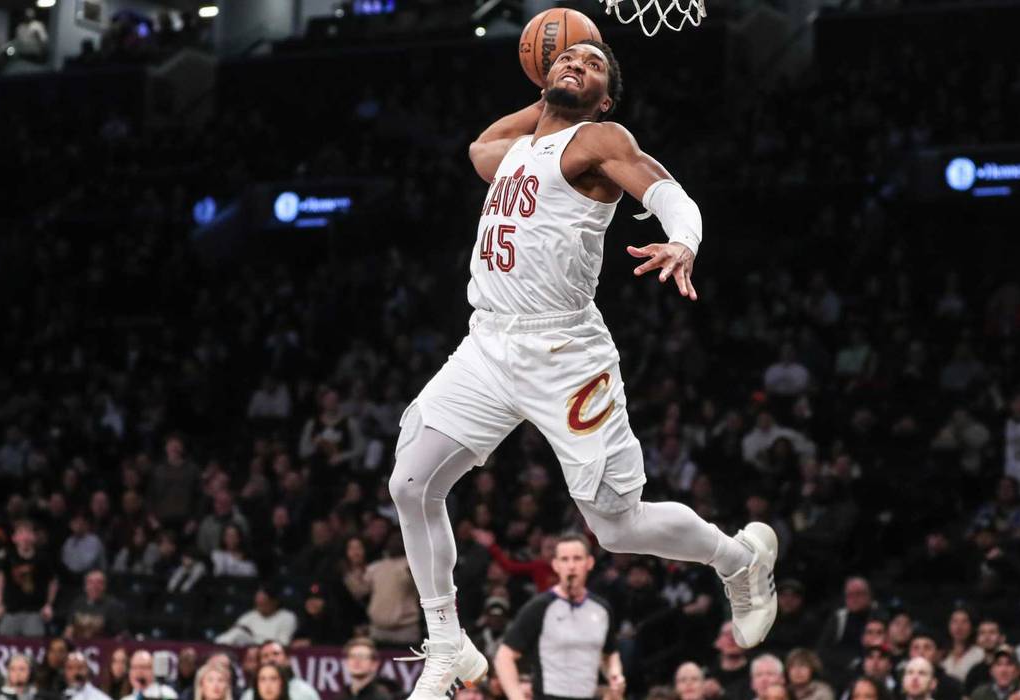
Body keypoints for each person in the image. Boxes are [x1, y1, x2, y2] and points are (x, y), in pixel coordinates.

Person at [387, 37, 777, 699]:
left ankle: (739, 559)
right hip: (487, 344)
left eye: (594, 65)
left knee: (615, 528)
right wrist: (544, 90)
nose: (576, 63)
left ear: (606, 98)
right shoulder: (511, 154)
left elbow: (670, 192)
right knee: (410, 485)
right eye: (567, 57)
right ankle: (449, 644)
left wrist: (683, 239)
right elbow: (477, 144)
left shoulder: (598, 142)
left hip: (564, 353)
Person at [494, 535, 621, 700]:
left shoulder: (601, 609)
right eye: (565, 559)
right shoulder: (540, 607)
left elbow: (609, 653)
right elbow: (504, 656)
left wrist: (615, 673)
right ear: (555, 565)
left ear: (589, 562)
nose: (571, 566)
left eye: (577, 559)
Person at [0, 520, 59, 637]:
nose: (25, 536)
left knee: (33, 644)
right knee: (5, 641)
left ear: (34, 537)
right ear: (14, 538)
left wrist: (49, 605)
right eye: (21, 533)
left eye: (28, 532)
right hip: (11, 611)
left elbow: (53, 582)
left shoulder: (42, 558)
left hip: (34, 612)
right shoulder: (8, 557)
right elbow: (0, 579)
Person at [215, 586, 297, 647]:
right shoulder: (251, 615)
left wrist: (257, 639)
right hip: (249, 649)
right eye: (257, 604)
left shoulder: (287, 617)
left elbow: (283, 643)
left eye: (263, 604)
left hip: (270, 649)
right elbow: (235, 632)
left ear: (274, 602)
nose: (259, 607)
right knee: (237, 633)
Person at [236, 642, 319, 700]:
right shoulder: (249, 696)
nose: (271, 659)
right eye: (265, 656)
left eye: (276, 654)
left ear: (287, 659)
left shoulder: (305, 692)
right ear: (259, 662)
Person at [64, 570, 128, 640]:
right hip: (78, 645)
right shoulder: (77, 604)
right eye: (90, 582)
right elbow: (69, 629)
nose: (94, 586)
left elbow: (120, 634)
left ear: (104, 586)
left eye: (99, 583)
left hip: (103, 647)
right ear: (85, 586)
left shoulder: (114, 606)